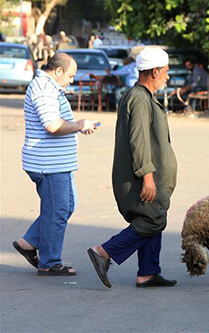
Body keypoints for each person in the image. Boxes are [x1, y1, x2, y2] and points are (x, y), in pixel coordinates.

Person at [87, 47, 178, 288]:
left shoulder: (143, 96)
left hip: (149, 174)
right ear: (155, 71)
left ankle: (148, 272)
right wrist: (147, 176)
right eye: (166, 72)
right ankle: (104, 252)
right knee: (152, 220)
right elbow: (138, 141)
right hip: (141, 176)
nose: (167, 77)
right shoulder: (138, 98)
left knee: (154, 215)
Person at [12, 53, 100, 276]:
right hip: (48, 164)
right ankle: (50, 262)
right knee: (57, 210)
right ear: (58, 70)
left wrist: (78, 126)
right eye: (70, 76)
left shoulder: (50, 87)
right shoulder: (44, 88)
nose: (71, 80)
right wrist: (79, 124)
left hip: (57, 162)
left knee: (66, 205)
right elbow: (51, 125)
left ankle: (29, 242)